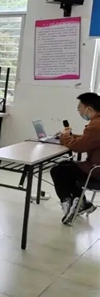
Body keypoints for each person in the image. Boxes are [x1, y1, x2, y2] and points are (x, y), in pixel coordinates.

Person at [51, 92, 100, 224]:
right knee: (64, 166)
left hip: (96, 171)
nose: (78, 110)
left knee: (58, 170)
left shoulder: (96, 125)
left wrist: (64, 136)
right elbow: (88, 140)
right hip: (95, 166)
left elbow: (77, 147)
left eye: (79, 107)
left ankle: (69, 203)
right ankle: (82, 202)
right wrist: (71, 136)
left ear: (89, 108)